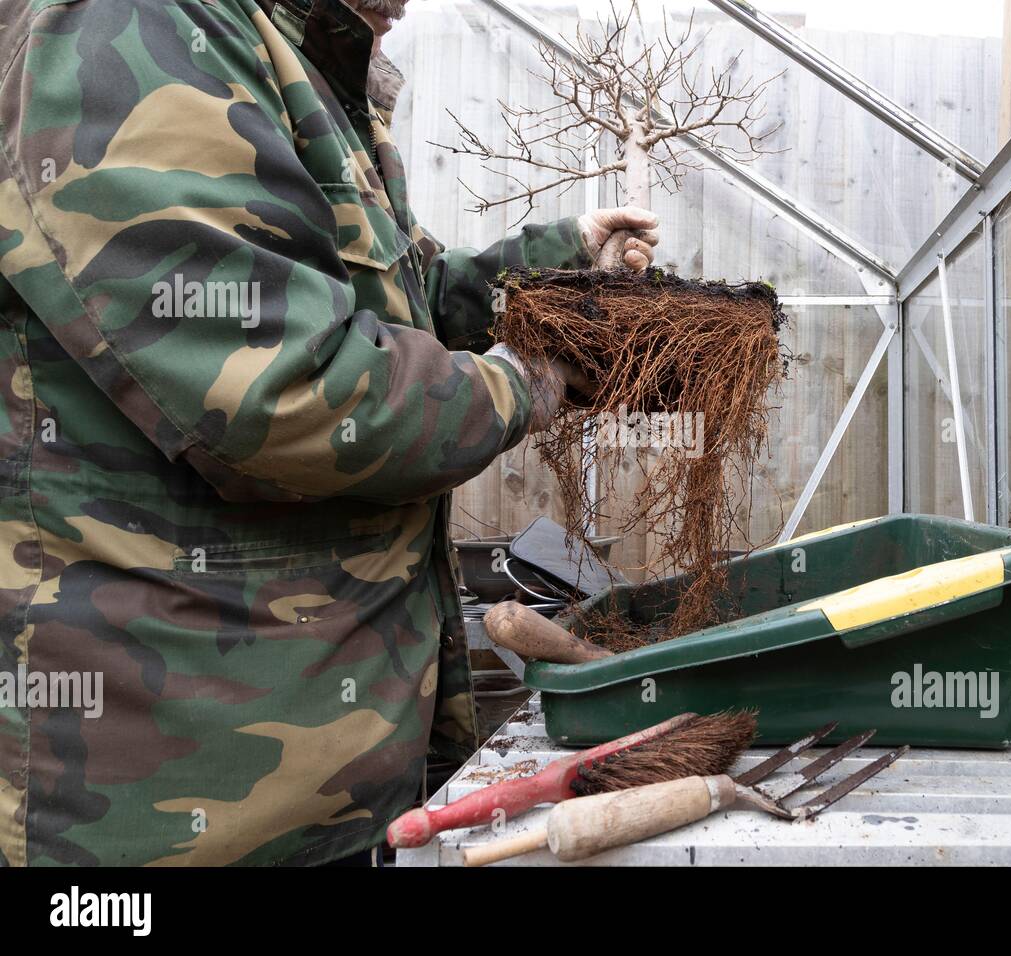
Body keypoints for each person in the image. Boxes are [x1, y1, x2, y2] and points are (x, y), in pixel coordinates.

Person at [0, 0, 658, 866]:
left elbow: (394, 300)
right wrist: (527, 381)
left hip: (334, 776)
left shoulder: (298, 56)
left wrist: (556, 260)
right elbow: (289, 390)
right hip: (181, 803)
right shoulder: (140, 24)